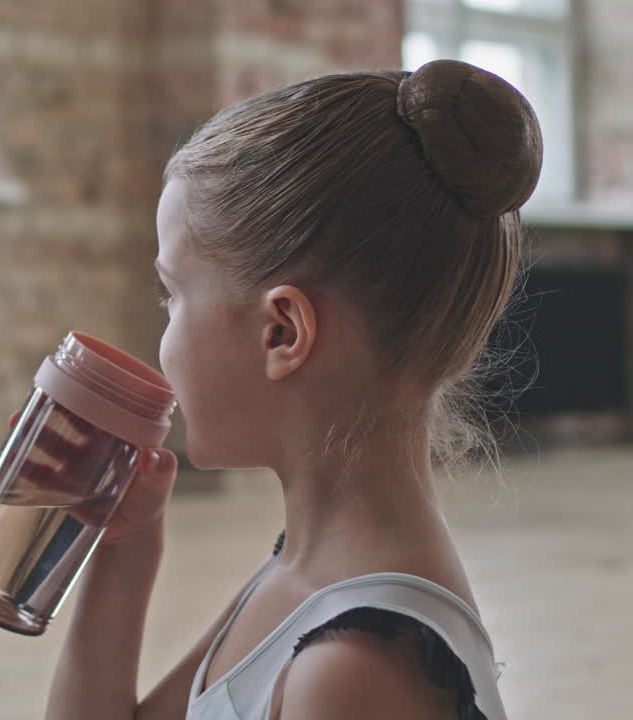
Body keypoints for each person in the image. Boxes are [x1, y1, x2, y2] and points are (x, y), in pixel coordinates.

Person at [44, 59, 541, 720]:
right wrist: (122, 554)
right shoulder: (309, 571)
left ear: (282, 331)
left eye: (172, 295)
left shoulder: (353, 672)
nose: (162, 335)